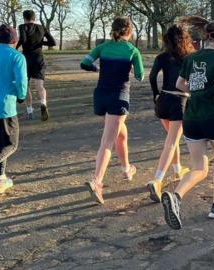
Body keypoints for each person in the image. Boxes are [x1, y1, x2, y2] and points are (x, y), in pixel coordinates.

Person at [161, 16, 214, 230]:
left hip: (191, 115)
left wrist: (197, 90)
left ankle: (176, 196)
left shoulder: (193, 57)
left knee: (199, 167)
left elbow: (180, 84)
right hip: (213, 115)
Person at [81, 16, 144, 204]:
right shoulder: (132, 50)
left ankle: (127, 169)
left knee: (121, 135)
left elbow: (84, 63)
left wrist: (96, 69)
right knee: (107, 141)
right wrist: (131, 70)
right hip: (119, 97)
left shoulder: (102, 47)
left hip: (101, 96)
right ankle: (97, 181)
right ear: (129, 31)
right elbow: (140, 76)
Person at [146, 24, 194, 203]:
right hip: (179, 101)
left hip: (163, 100)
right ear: (185, 38)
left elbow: (152, 77)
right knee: (171, 142)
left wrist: (155, 94)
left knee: (170, 139)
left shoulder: (162, 56)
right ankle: (157, 180)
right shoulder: (190, 57)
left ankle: (177, 168)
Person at [0, 25, 28, 194]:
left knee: (1, 144)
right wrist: (21, 96)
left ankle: (0, 180)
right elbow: (22, 82)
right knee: (10, 144)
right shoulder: (17, 56)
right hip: (4, 108)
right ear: (14, 40)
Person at [16, 10, 56, 121]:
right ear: (34, 17)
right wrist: (41, 43)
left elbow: (23, 39)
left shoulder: (22, 26)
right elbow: (53, 43)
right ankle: (43, 103)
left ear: (24, 18)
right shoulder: (42, 28)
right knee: (39, 86)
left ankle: (29, 110)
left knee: (27, 86)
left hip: (27, 59)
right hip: (39, 58)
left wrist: (15, 48)